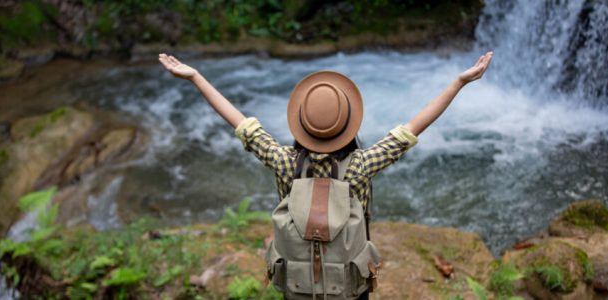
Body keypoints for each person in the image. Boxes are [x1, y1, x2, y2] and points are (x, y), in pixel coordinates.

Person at [158, 51, 493, 299]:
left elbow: (240, 122)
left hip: (297, 283)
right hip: (349, 285)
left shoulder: (283, 162)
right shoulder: (362, 165)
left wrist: (196, 77)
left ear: (300, 124)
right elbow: (413, 128)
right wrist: (458, 82)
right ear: (348, 127)